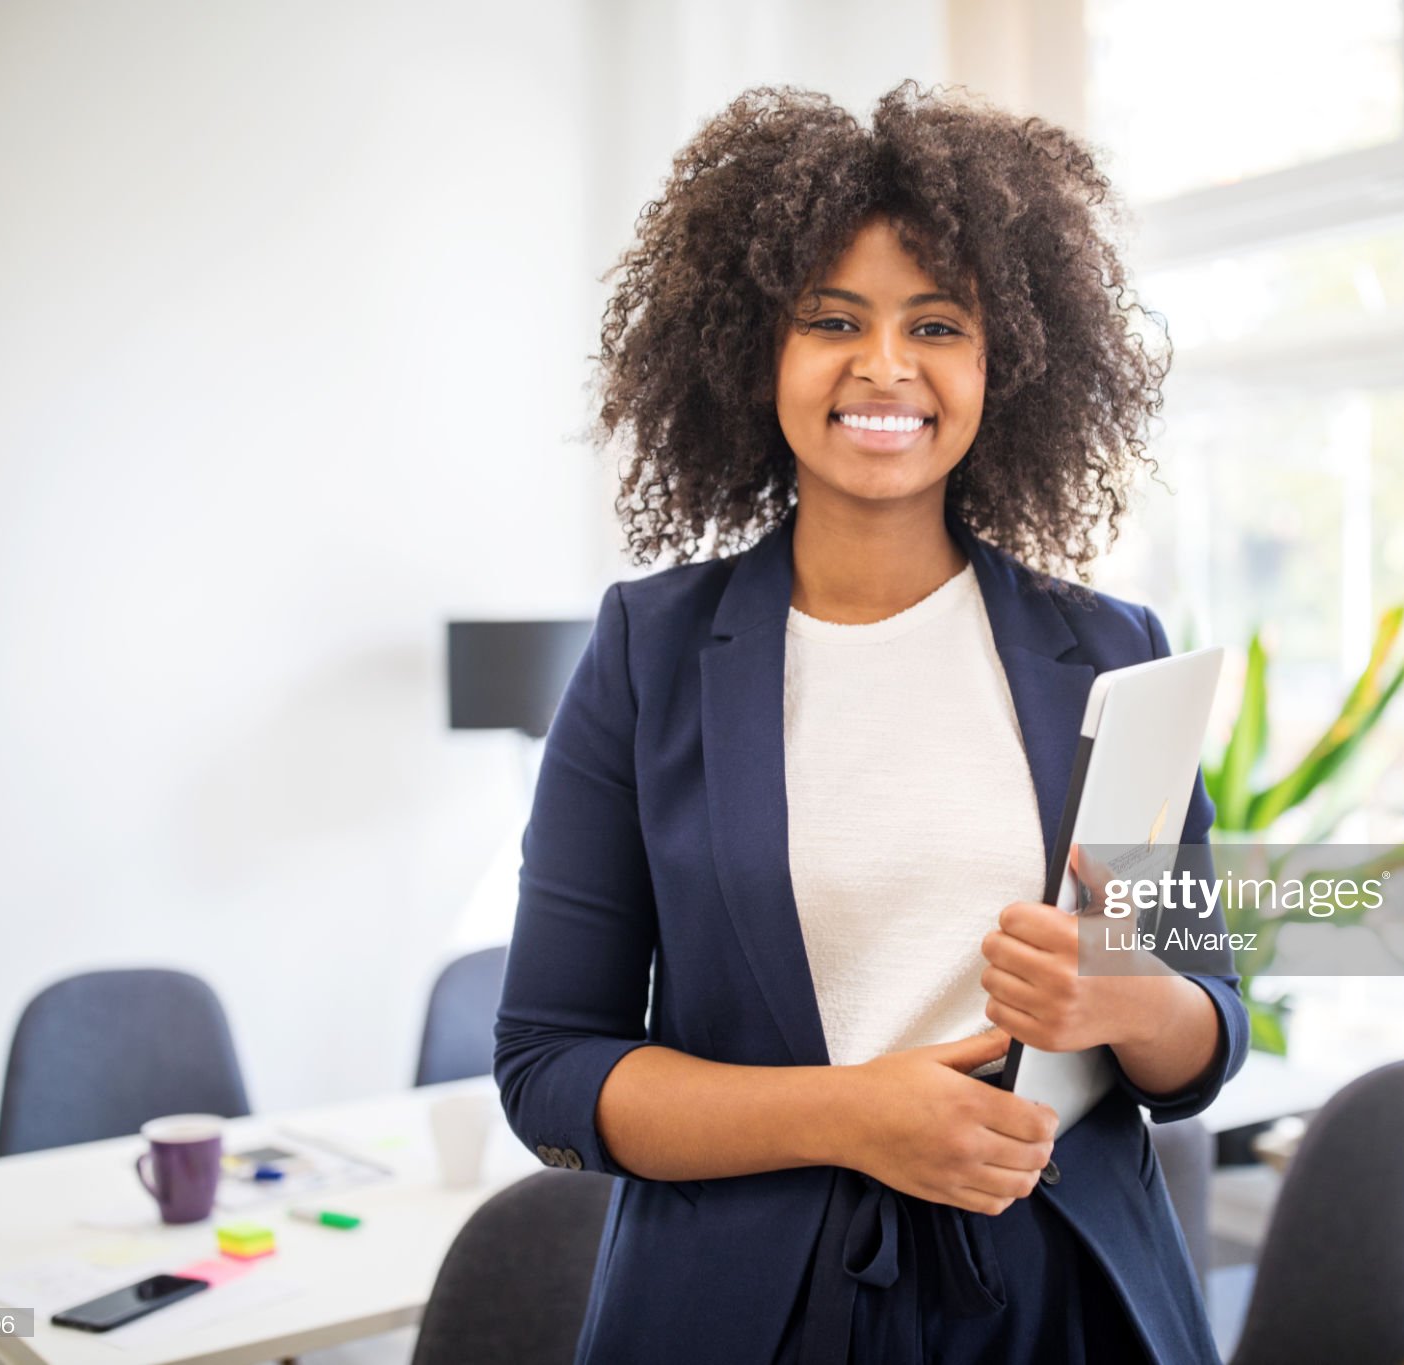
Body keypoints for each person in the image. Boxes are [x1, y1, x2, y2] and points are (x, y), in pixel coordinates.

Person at [495, 81, 1249, 1365]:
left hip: (1068, 1298)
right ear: (753, 353)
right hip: (750, 1308)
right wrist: (849, 1116)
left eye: (937, 323)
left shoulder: (1110, 650)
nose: (884, 367)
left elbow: (1205, 1032)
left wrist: (1123, 1004)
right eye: (830, 320)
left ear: (1003, 357)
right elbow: (550, 1067)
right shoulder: (649, 652)